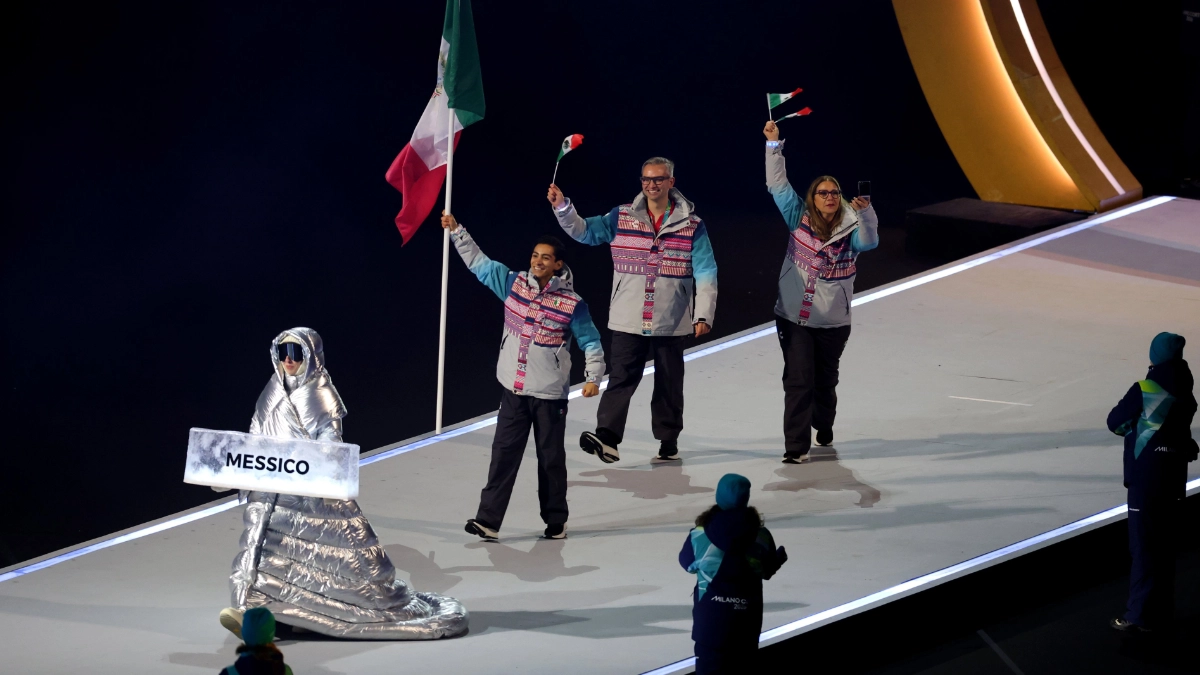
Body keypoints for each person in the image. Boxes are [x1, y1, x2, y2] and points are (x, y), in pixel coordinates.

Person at [218, 327, 468, 639]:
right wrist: (235, 465)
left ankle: (308, 613)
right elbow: (256, 434)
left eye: (296, 353)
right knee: (266, 556)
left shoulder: (321, 392)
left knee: (336, 559)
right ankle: (256, 614)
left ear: (310, 355)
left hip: (311, 493)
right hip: (272, 493)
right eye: (282, 353)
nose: (288, 360)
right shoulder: (271, 392)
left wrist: (316, 465)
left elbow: (330, 439)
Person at [442, 213, 605, 542]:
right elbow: (480, 263)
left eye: (546, 257)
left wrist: (593, 376)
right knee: (503, 455)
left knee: (550, 461)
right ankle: (488, 520)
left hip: (548, 395)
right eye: (535, 255)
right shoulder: (513, 284)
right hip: (513, 391)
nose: (538, 261)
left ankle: (556, 520)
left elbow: (591, 341)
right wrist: (458, 231)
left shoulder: (572, 303)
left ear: (558, 264)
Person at [548, 157, 718, 463]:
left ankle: (668, 440)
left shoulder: (693, 225)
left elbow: (706, 271)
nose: (651, 185)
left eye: (658, 179)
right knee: (621, 378)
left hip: (672, 318)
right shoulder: (621, 216)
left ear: (671, 182)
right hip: (629, 316)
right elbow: (585, 231)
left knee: (669, 382)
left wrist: (703, 313)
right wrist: (563, 208)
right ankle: (608, 439)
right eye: (646, 180)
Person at [763, 120, 878, 463]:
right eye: (822, 192)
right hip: (793, 317)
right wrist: (773, 146)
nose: (829, 197)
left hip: (832, 321)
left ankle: (823, 425)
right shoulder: (796, 215)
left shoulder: (852, 225)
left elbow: (869, 243)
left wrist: (867, 214)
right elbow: (777, 184)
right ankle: (795, 448)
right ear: (812, 198)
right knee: (798, 380)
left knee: (824, 383)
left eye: (834, 192)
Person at [1106, 332, 1197, 633]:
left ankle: (1139, 616)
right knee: (1165, 548)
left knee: (1143, 548)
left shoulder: (1146, 389)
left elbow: (1114, 422)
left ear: (1154, 356)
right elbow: (1180, 432)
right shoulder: (1186, 392)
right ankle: (1162, 612)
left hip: (1147, 479)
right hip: (1173, 478)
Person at [679, 474, 787, 673]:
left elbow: (687, 564)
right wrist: (778, 558)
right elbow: (767, 569)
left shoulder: (699, 535)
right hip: (747, 624)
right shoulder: (761, 535)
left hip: (709, 625)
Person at [218, 607, 293, 675]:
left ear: (243, 633)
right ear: (271, 634)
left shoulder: (228, 672)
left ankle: (242, 612)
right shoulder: (285, 671)